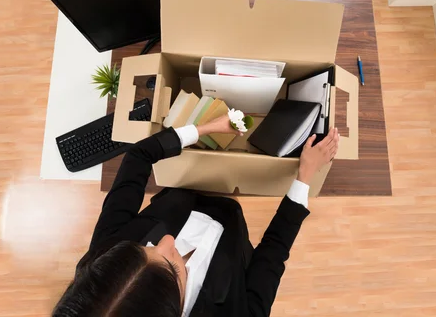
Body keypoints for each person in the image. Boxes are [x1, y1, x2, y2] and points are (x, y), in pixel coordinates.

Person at [53, 114, 340, 317]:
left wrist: (204, 128)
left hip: (186, 194)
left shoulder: (104, 260)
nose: (166, 240)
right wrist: (305, 176)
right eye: (174, 268)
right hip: (233, 233)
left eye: (144, 248)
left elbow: (137, 157)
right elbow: (272, 254)